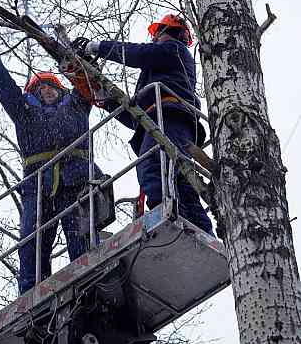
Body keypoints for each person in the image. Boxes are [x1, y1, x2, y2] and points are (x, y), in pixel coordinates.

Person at [0, 18, 103, 294]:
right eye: (40, 88)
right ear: (33, 95)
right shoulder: (25, 114)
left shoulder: (76, 105)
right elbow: (2, 85)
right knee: (31, 245)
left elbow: (88, 78)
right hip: (37, 188)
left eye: (52, 86)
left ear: (61, 90)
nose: (47, 90)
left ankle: (90, 286)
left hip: (75, 181)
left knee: (81, 240)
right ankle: (30, 296)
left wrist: (70, 49)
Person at [80, 13, 214, 235]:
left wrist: (99, 47)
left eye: (157, 35)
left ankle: (169, 219)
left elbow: (138, 54)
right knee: (180, 181)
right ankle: (201, 232)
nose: (154, 39)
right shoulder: (158, 71)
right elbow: (136, 117)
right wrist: (107, 101)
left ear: (166, 31)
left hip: (170, 118)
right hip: (163, 121)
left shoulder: (174, 50)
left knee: (155, 170)